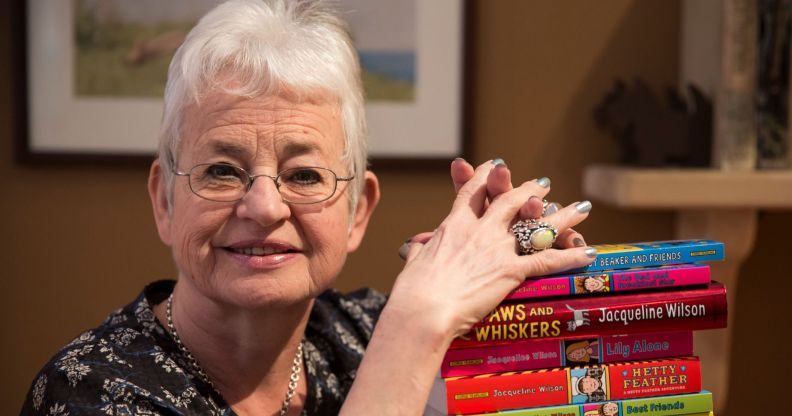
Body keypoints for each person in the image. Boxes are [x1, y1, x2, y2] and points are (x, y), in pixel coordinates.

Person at [21, 0, 596, 414]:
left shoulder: (365, 331)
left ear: (358, 211)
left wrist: (538, 292)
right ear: (164, 200)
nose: (265, 206)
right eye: (222, 171)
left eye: (303, 174)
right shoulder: (92, 391)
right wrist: (417, 325)